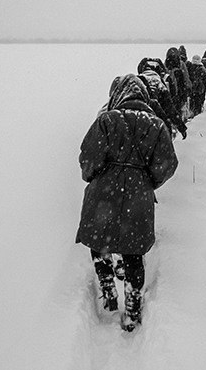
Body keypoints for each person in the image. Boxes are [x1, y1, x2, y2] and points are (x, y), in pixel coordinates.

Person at [77, 74, 179, 331]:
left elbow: (88, 157)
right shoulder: (156, 125)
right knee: (133, 254)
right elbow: (167, 165)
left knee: (99, 242)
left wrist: (95, 178)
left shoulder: (107, 120)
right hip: (138, 195)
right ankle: (132, 309)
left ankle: (108, 287)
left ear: (118, 94)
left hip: (104, 193)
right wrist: (147, 183)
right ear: (143, 96)